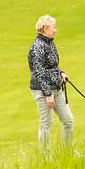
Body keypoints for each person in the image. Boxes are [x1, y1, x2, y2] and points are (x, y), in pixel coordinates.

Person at [28, 15, 74, 152]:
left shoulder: (50, 43)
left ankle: (69, 151)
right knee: (46, 123)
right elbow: (39, 72)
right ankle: (45, 155)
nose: (55, 30)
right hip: (42, 90)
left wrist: (61, 73)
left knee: (68, 120)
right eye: (53, 27)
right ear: (45, 28)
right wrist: (48, 95)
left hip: (57, 88)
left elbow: (52, 65)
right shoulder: (37, 47)